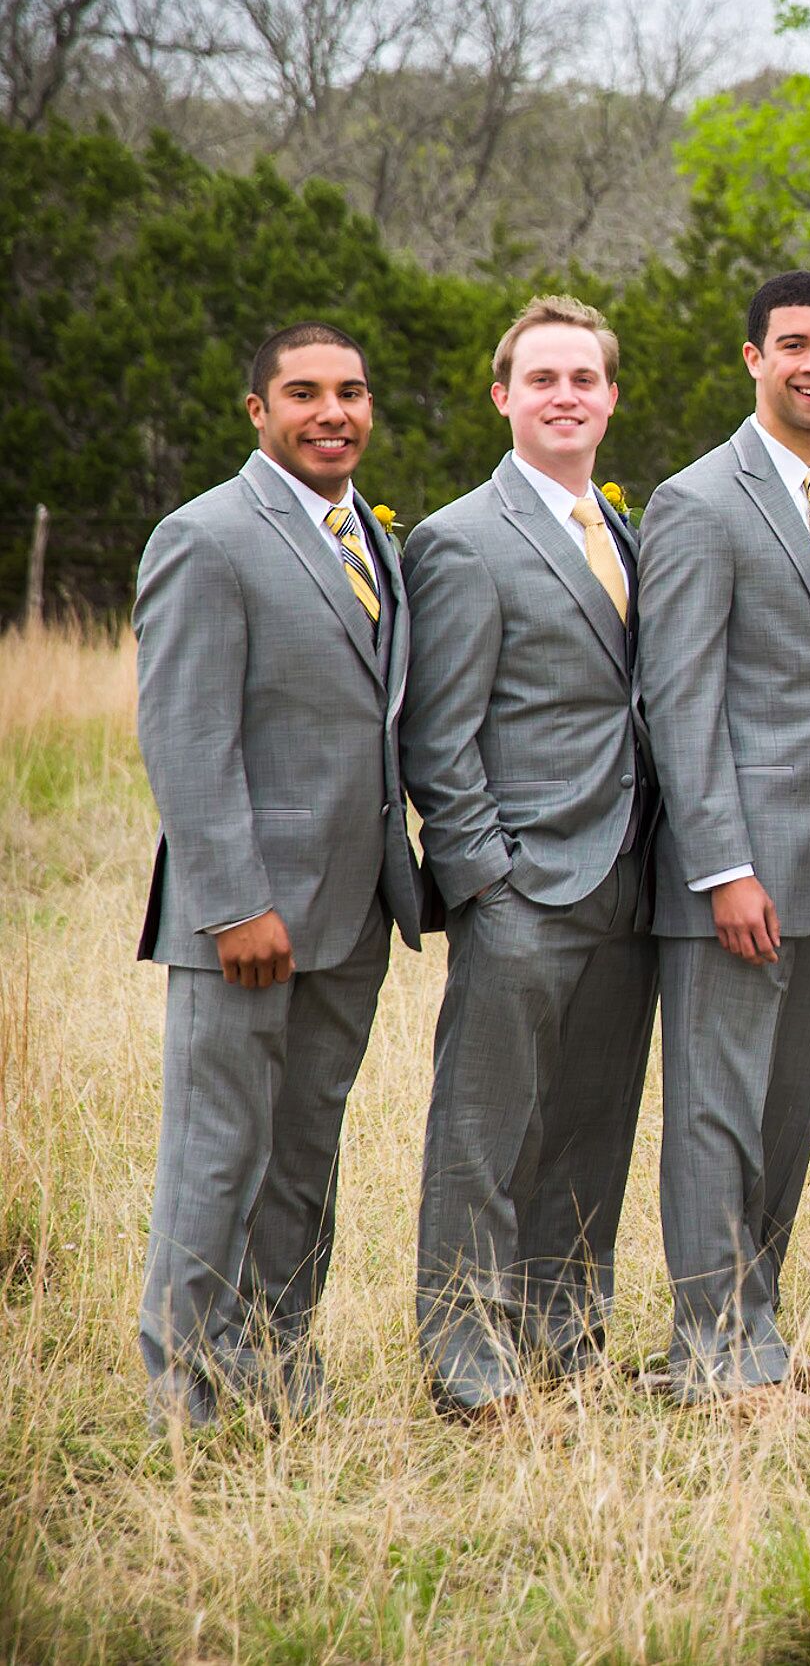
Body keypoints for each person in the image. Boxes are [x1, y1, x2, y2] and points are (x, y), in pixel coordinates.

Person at [133, 321, 429, 1427]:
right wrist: (235, 901)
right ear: (257, 411)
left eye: (350, 390)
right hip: (246, 916)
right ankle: (188, 1401)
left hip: (349, 913)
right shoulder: (207, 537)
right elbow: (185, 736)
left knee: (304, 1159)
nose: (333, 412)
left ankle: (276, 1372)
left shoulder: (371, 538)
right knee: (217, 1157)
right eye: (303, 393)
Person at [401, 294, 657, 1422]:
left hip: (630, 879)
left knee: (592, 1129)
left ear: (609, 396)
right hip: (521, 888)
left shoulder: (628, 527)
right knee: (487, 1130)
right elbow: (437, 734)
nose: (565, 395)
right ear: (504, 395)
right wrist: (483, 878)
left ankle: (565, 1334)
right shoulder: (461, 537)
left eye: (583, 378)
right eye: (541, 378)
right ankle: (467, 1359)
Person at [636, 271, 810, 1411]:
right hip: (733, 879)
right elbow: (678, 700)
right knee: (715, 1114)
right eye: (794, 345)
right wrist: (724, 867)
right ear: (753, 359)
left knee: (784, 1116)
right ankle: (706, 1350)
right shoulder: (698, 501)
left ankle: (759, 1334)